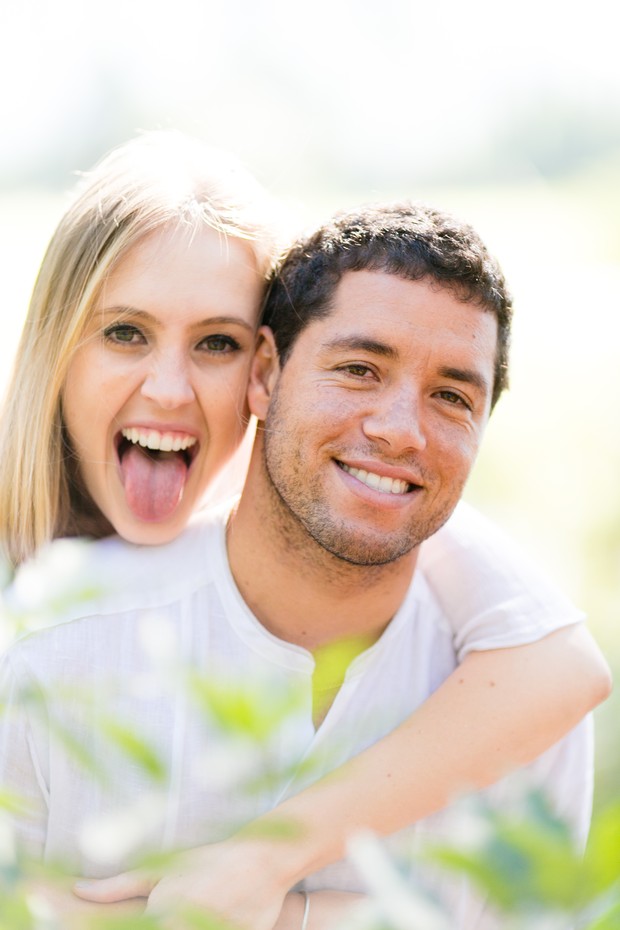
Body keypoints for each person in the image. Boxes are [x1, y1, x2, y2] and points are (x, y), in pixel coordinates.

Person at [0, 199, 610, 929]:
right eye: (358, 369)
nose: (400, 431)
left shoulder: (532, 717)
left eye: (451, 397)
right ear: (265, 372)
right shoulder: (47, 658)